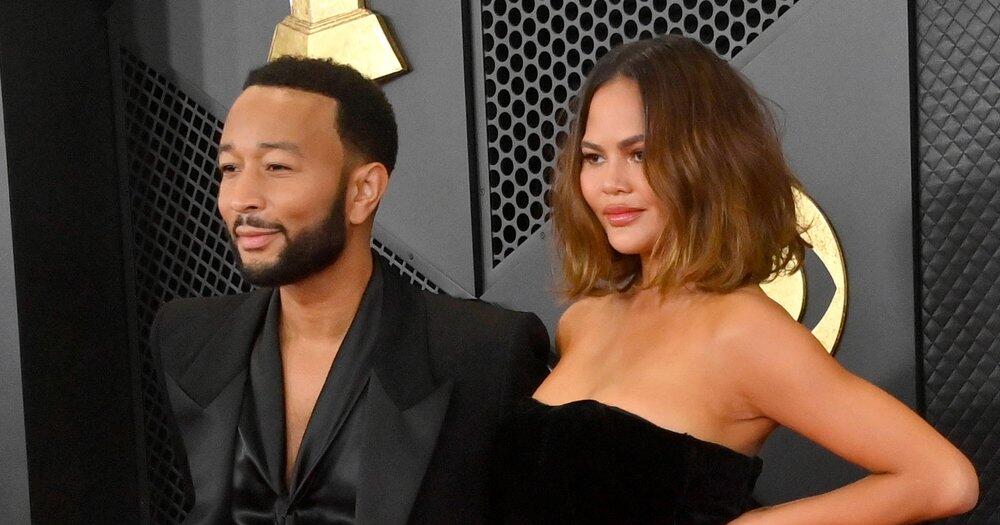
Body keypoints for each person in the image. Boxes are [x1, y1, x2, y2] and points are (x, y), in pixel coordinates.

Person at [492, 35, 979, 524]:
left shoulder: (745, 332)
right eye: (594, 157)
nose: (610, 183)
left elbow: (942, 479)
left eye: (640, 154)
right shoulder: (583, 321)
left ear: (707, 160)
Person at [151, 56, 550, 524]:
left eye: (277, 166)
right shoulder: (186, 338)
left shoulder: (484, 352)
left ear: (363, 191)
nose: (241, 198)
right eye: (230, 167)